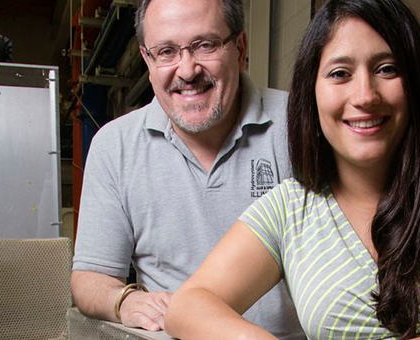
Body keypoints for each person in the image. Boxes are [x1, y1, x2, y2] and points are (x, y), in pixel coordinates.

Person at [164, 0, 420, 339]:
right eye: (340, 73)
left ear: (417, 83)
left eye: (387, 68)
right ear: (311, 93)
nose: (364, 95)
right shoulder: (289, 208)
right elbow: (189, 305)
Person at [70, 0, 304, 338]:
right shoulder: (114, 147)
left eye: (205, 45)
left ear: (239, 48)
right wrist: (123, 300)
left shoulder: (301, 124)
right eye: (166, 51)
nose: (187, 70)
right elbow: (90, 277)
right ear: (146, 60)